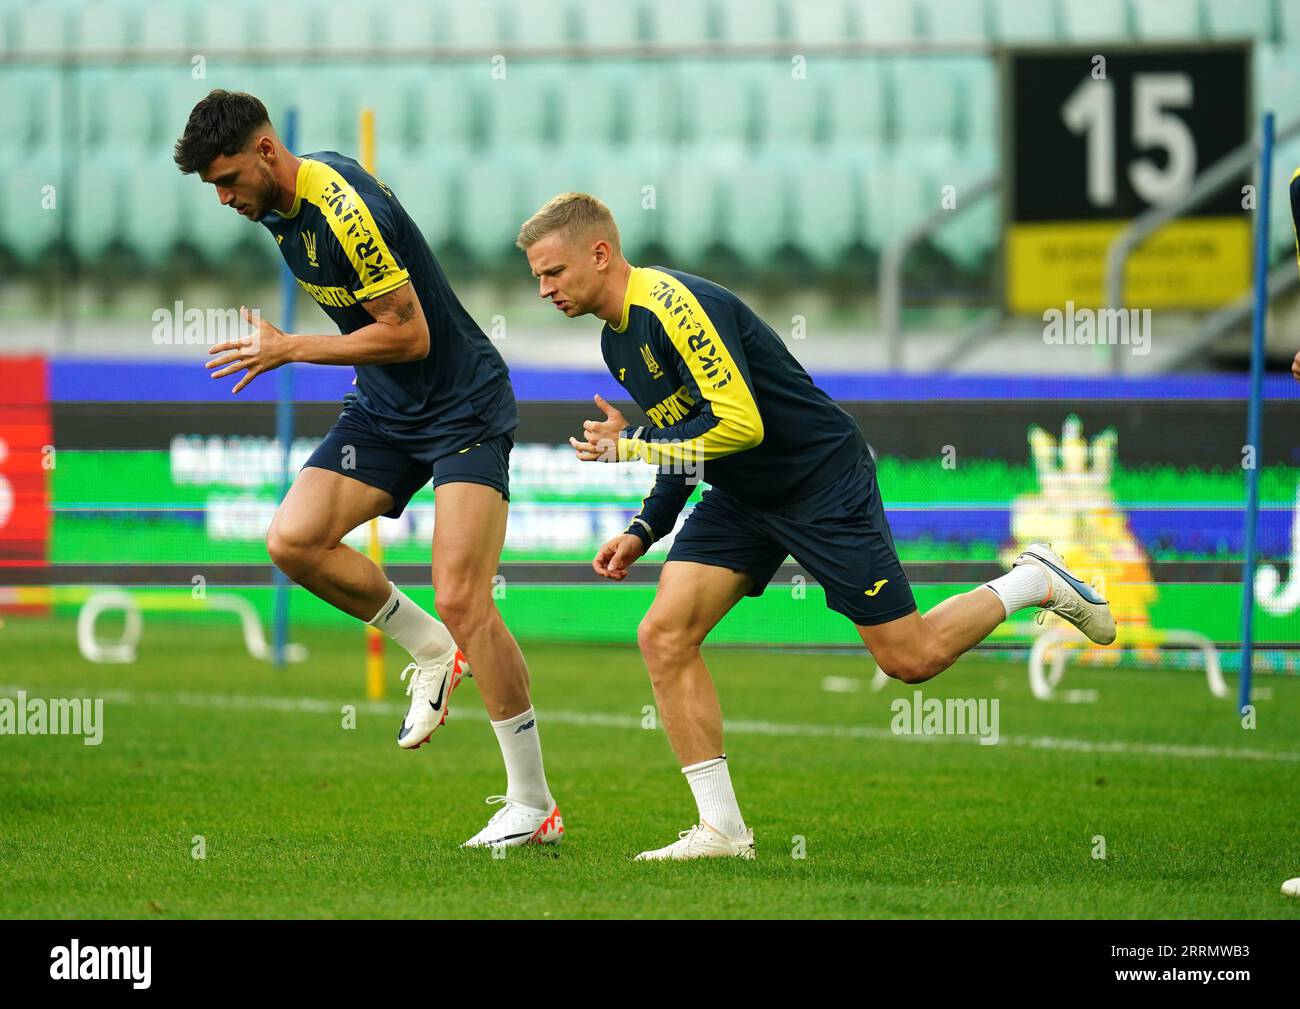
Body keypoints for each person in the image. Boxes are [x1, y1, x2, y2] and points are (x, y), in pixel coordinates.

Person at [516, 192, 1114, 861]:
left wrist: (633, 446)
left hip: (818, 479)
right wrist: (645, 524)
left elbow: (741, 422)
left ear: (599, 254)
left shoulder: (674, 306)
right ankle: (722, 830)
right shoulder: (616, 339)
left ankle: (1032, 580)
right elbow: (695, 434)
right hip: (743, 492)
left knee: (908, 658)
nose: (544, 290)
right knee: (663, 632)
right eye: (538, 277)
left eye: (554, 272)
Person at [173, 90, 561, 849]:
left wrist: (291, 349)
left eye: (227, 180)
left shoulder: (342, 209)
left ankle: (533, 802)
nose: (223, 200)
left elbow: (409, 334)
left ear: (264, 151)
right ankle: (431, 651)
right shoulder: (277, 207)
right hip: (387, 409)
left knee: (463, 594)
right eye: (211, 188)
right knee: (292, 539)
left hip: (462, 406)